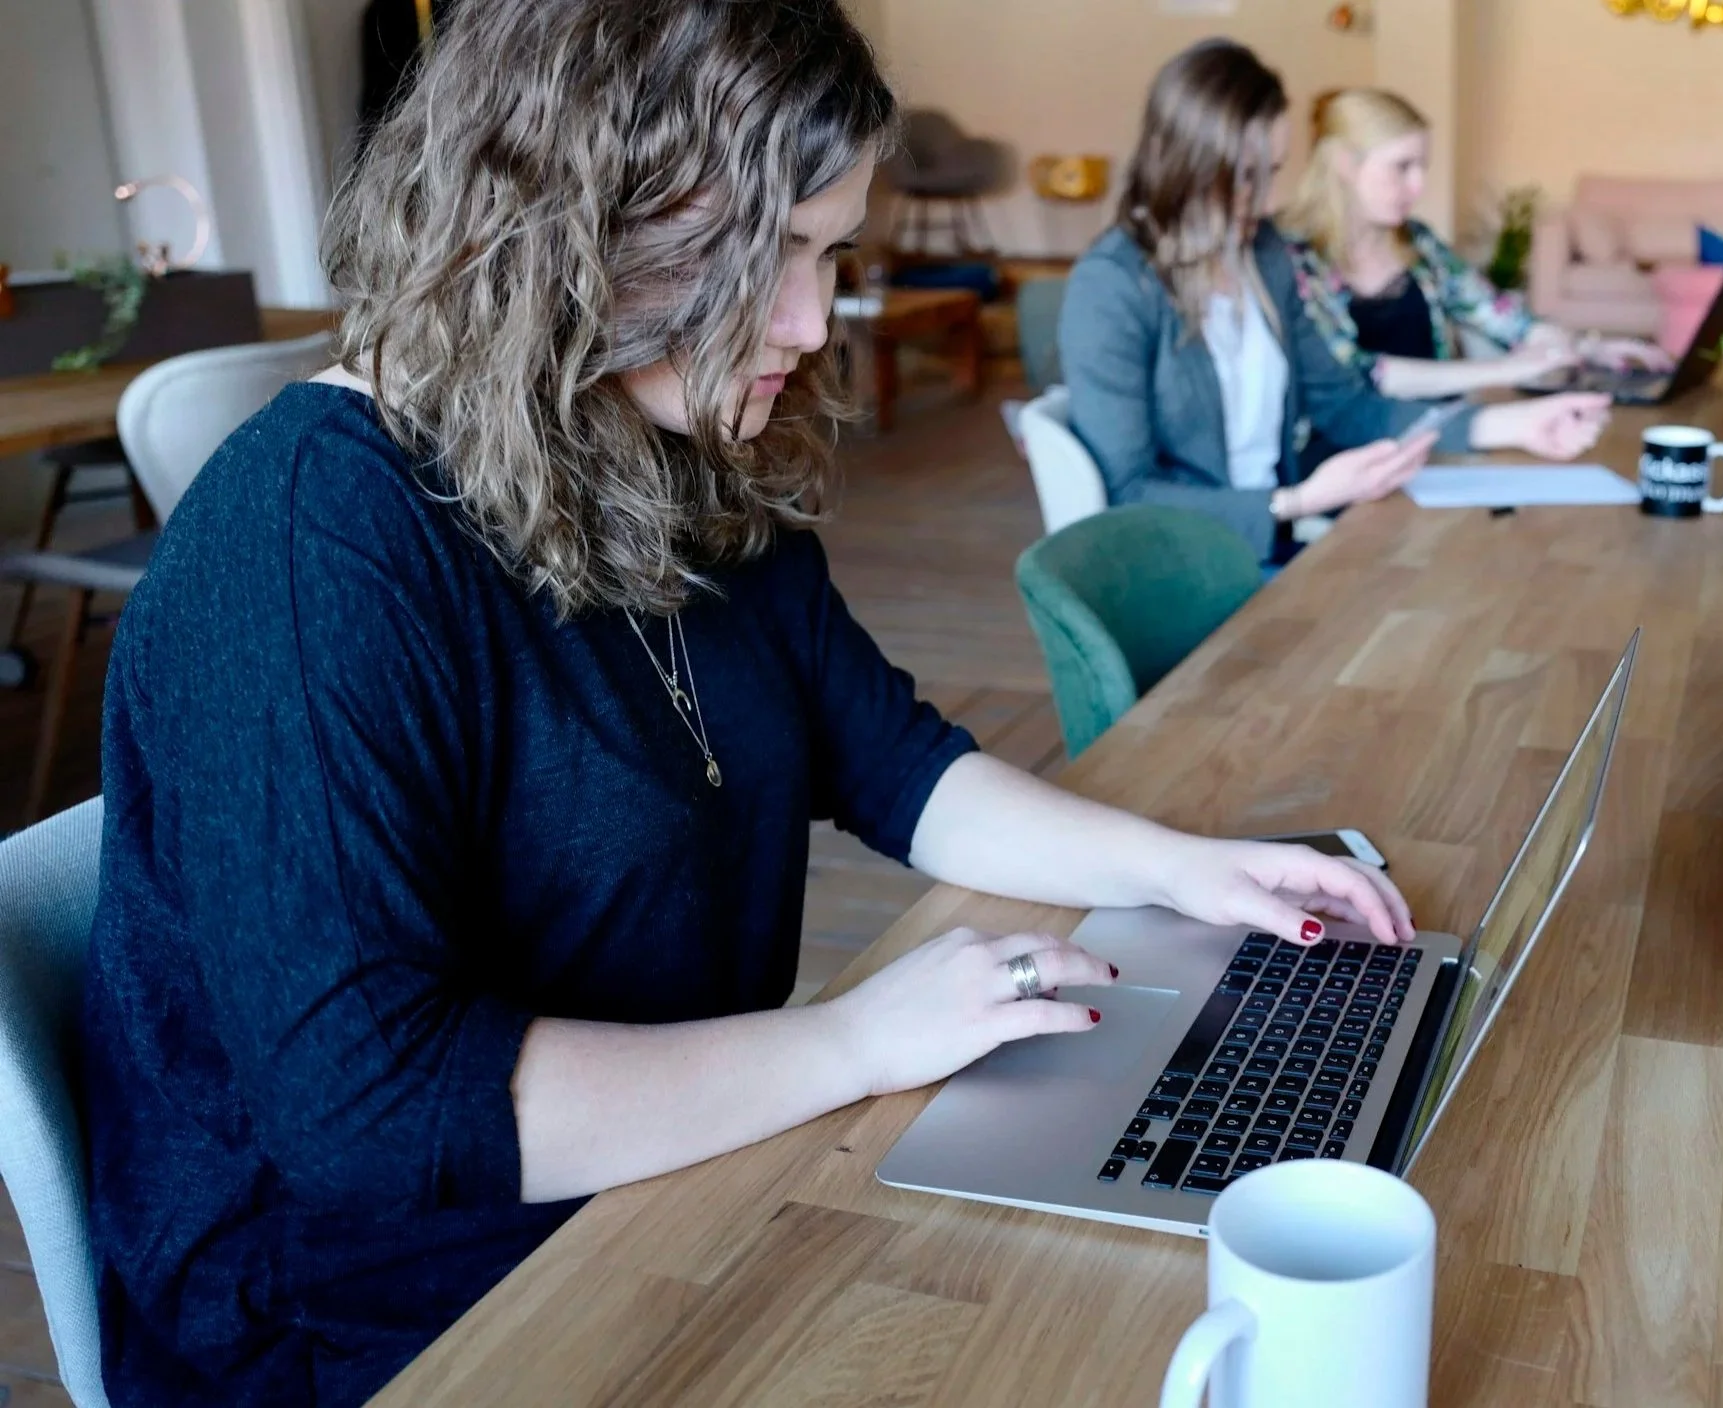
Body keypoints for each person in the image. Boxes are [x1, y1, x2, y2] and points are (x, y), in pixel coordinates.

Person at [78, 4, 1416, 1404]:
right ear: (570, 217)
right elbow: (370, 1113)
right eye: (765, 253)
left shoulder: (665, 447)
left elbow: (892, 760)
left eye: (829, 253)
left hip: (667, 1184)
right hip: (383, 1319)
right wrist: (854, 1040)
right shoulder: (309, 540)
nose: (808, 319)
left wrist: (1186, 871)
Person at [1058, 42, 1609, 566]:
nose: (1268, 199)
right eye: (1248, 177)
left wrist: (1515, 424)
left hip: (1269, 552)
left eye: (1272, 173)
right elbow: (1125, 493)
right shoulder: (1111, 288)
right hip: (1191, 569)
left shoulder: (1263, 254)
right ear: (1188, 164)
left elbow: (1348, 405)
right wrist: (1295, 501)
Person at [1279, 87, 1673, 402]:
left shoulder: (1417, 243)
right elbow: (1359, 374)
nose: (1419, 186)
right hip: (1345, 464)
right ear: (1347, 164)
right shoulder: (1293, 257)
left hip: (1438, 438)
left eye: (1422, 168)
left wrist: (1590, 350)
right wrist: (1508, 370)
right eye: (1402, 167)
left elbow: (1505, 319)